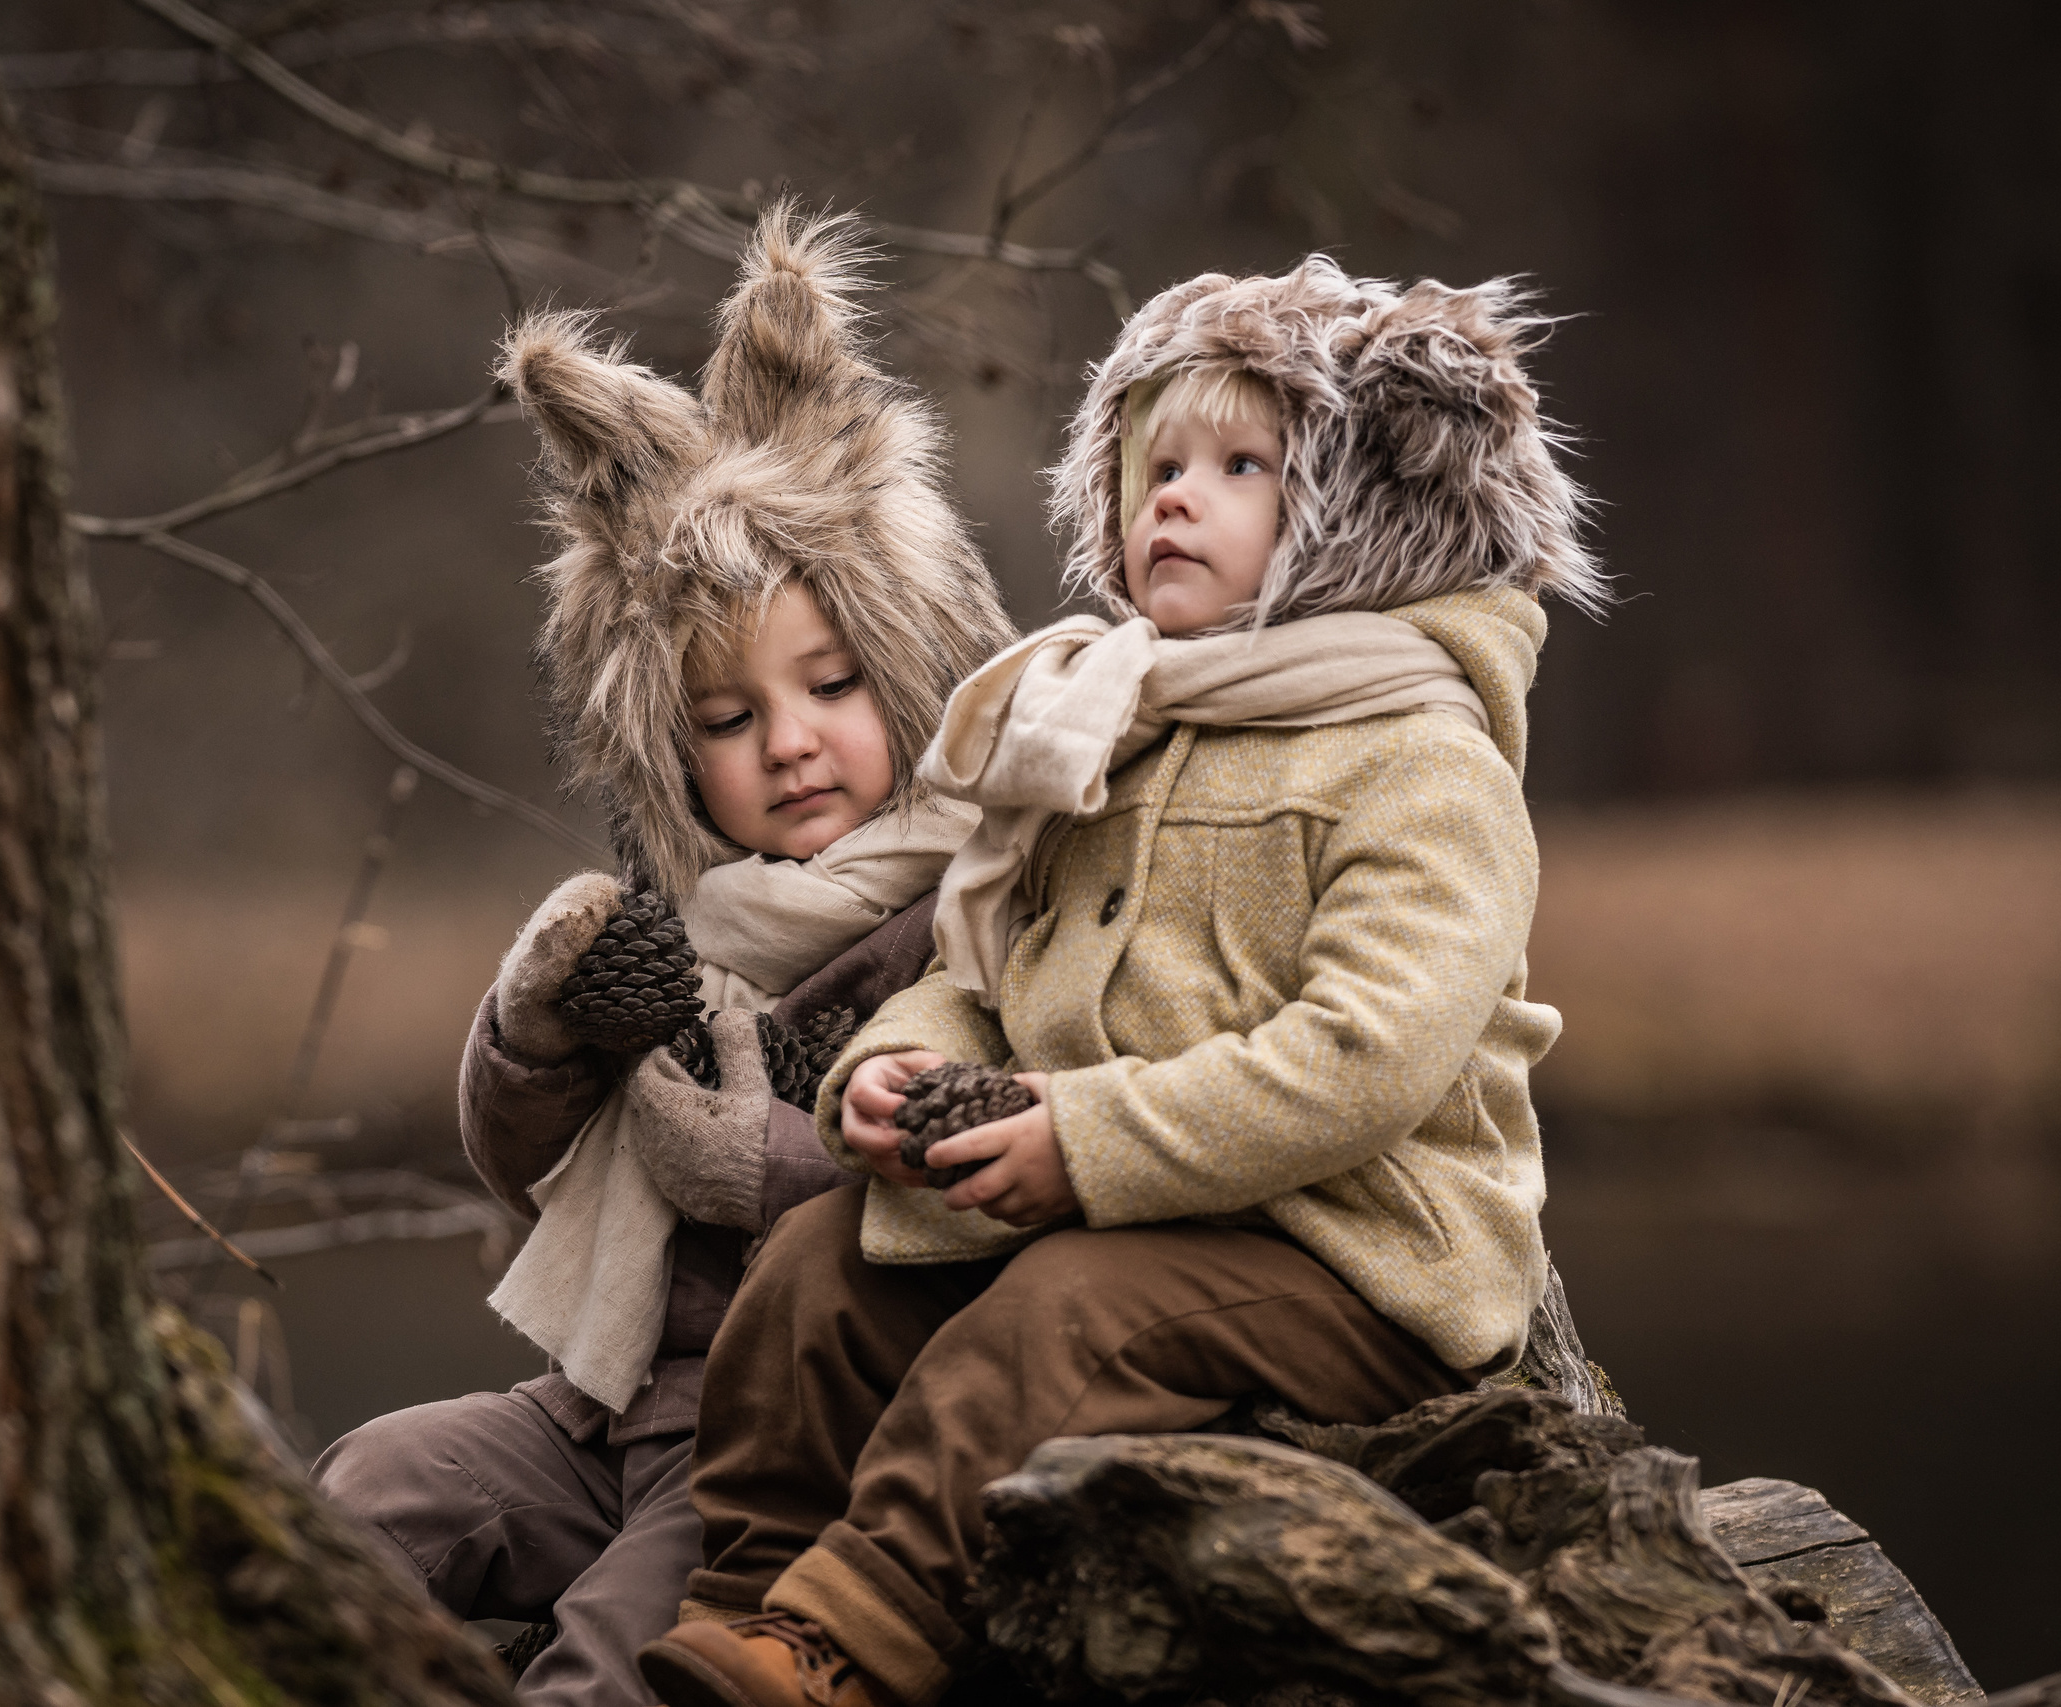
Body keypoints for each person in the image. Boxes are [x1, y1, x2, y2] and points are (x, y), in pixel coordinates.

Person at [636, 255, 1611, 1707]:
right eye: (1155, 463)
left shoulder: (1424, 757)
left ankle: (854, 1643)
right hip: (1129, 1200)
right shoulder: (1114, 726)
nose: (1173, 496)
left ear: (1364, 511)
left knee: (1070, 1314)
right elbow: (994, 966)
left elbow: (1365, 1057)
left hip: (1349, 1257)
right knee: (815, 1275)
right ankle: (744, 1613)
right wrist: (891, 1066)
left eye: (1238, 464)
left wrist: (1084, 1145)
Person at [311, 207, 1016, 1707]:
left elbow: (974, 1192)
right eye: (727, 720)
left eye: (830, 686)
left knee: (617, 1647)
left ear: (901, 668)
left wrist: (757, 1162)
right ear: (670, 755)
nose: (790, 742)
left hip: (780, 1442)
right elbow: (526, 1173)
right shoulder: (681, 924)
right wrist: (538, 1032)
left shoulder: (970, 906)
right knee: (364, 1496)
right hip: (603, 1402)